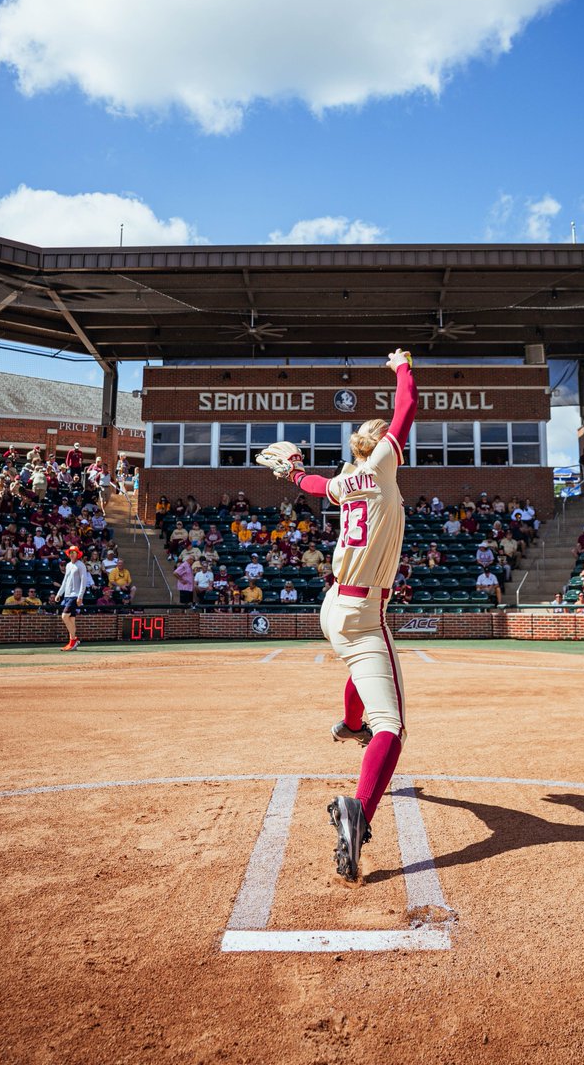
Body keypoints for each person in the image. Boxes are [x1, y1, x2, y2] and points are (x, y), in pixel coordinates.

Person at [257, 348, 417, 884]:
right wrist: (401, 365)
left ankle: (351, 725)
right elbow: (408, 406)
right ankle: (359, 813)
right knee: (391, 726)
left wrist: (294, 473)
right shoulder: (381, 467)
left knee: (359, 665)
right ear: (381, 447)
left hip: (335, 605)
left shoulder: (346, 483)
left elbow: (312, 486)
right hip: (365, 609)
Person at [54, 545, 87, 651]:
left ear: (78, 554)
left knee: (64, 616)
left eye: (74, 552)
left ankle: (73, 640)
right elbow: (65, 581)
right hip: (67, 595)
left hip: (75, 595)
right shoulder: (68, 565)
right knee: (71, 620)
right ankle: (73, 642)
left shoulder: (81, 565)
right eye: (70, 552)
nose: (72, 554)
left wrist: (80, 596)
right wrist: (59, 594)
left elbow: (84, 581)